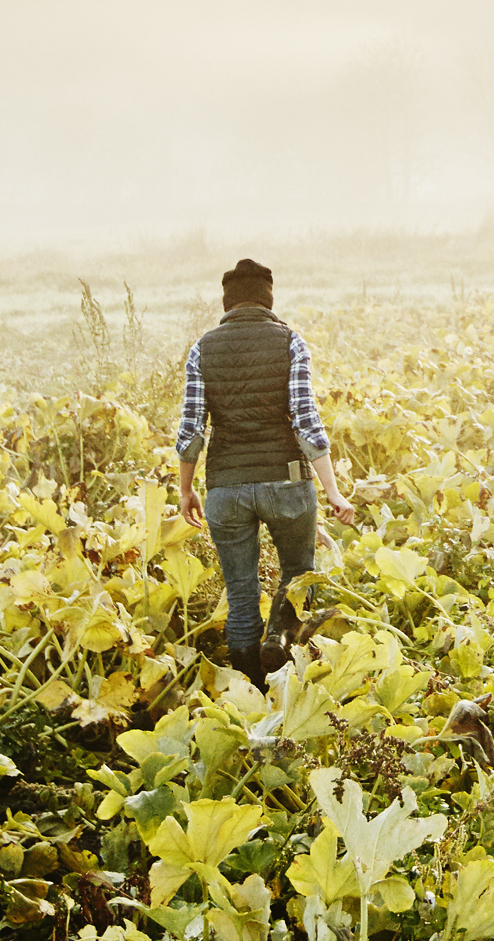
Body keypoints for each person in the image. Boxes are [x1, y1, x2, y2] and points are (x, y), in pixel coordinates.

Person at [174, 258, 352, 677]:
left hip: (226, 489)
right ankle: (279, 639)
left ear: (228, 303)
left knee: (240, 594)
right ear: (269, 299)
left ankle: (249, 689)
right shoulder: (290, 341)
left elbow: (191, 429)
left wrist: (186, 490)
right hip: (286, 481)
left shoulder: (203, 347)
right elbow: (307, 421)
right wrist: (332, 492)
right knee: (297, 575)